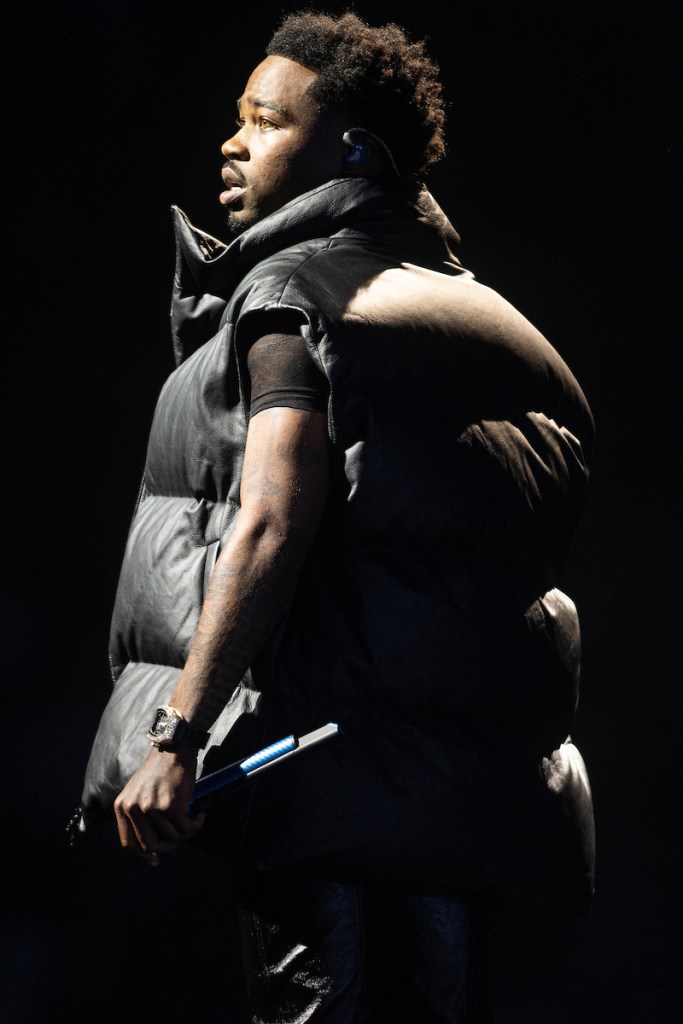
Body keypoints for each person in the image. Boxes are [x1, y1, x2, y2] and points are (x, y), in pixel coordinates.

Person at [76, 9, 596, 1022]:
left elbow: (271, 519)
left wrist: (177, 736)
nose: (233, 143)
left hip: (319, 785)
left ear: (352, 151)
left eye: (266, 120)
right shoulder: (512, 337)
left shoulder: (293, 297)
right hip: (463, 809)